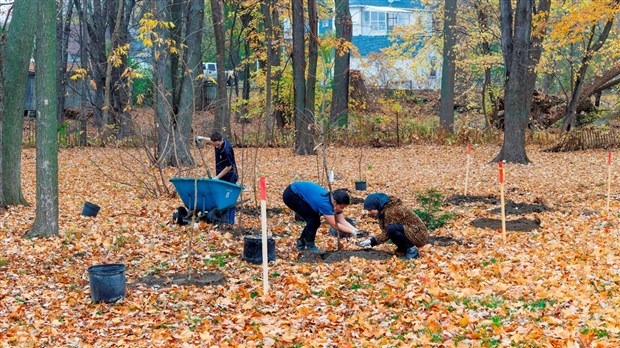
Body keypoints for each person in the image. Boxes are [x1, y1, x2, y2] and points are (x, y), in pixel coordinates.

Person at [282, 182, 364, 253]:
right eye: (342, 207)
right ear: (335, 202)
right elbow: (334, 225)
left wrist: (356, 230)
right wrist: (352, 232)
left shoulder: (334, 201)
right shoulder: (325, 204)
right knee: (313, 219)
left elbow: (342, 220)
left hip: (300, 191)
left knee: (314, 220)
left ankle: (301, 242)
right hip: (292, 194)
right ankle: (309, 245)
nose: (342, 210)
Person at [358, 193, 428, 260]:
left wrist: (371, 241)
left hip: (419, 234)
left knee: (392, 229)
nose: (369, 212)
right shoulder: (383, 210)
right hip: (411, 231)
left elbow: (387, 232)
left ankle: (412, 251)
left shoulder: (392, 211)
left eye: (370, 210)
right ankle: (403, 248)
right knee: (391, 229)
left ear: (377, 205)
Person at [195, 131, 238, 224]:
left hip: (230, 176)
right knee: (220, 197)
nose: (215, 146)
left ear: (220, 141)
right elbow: (210, 140)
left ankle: (230, 221)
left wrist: (217, 177)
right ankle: (221, 217)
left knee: (229, 197)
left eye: (216, 145)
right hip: (221, 174)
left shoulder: (227, 150)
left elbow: (229, 167)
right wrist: (201, 137)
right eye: (214, 144)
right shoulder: (217, 142)